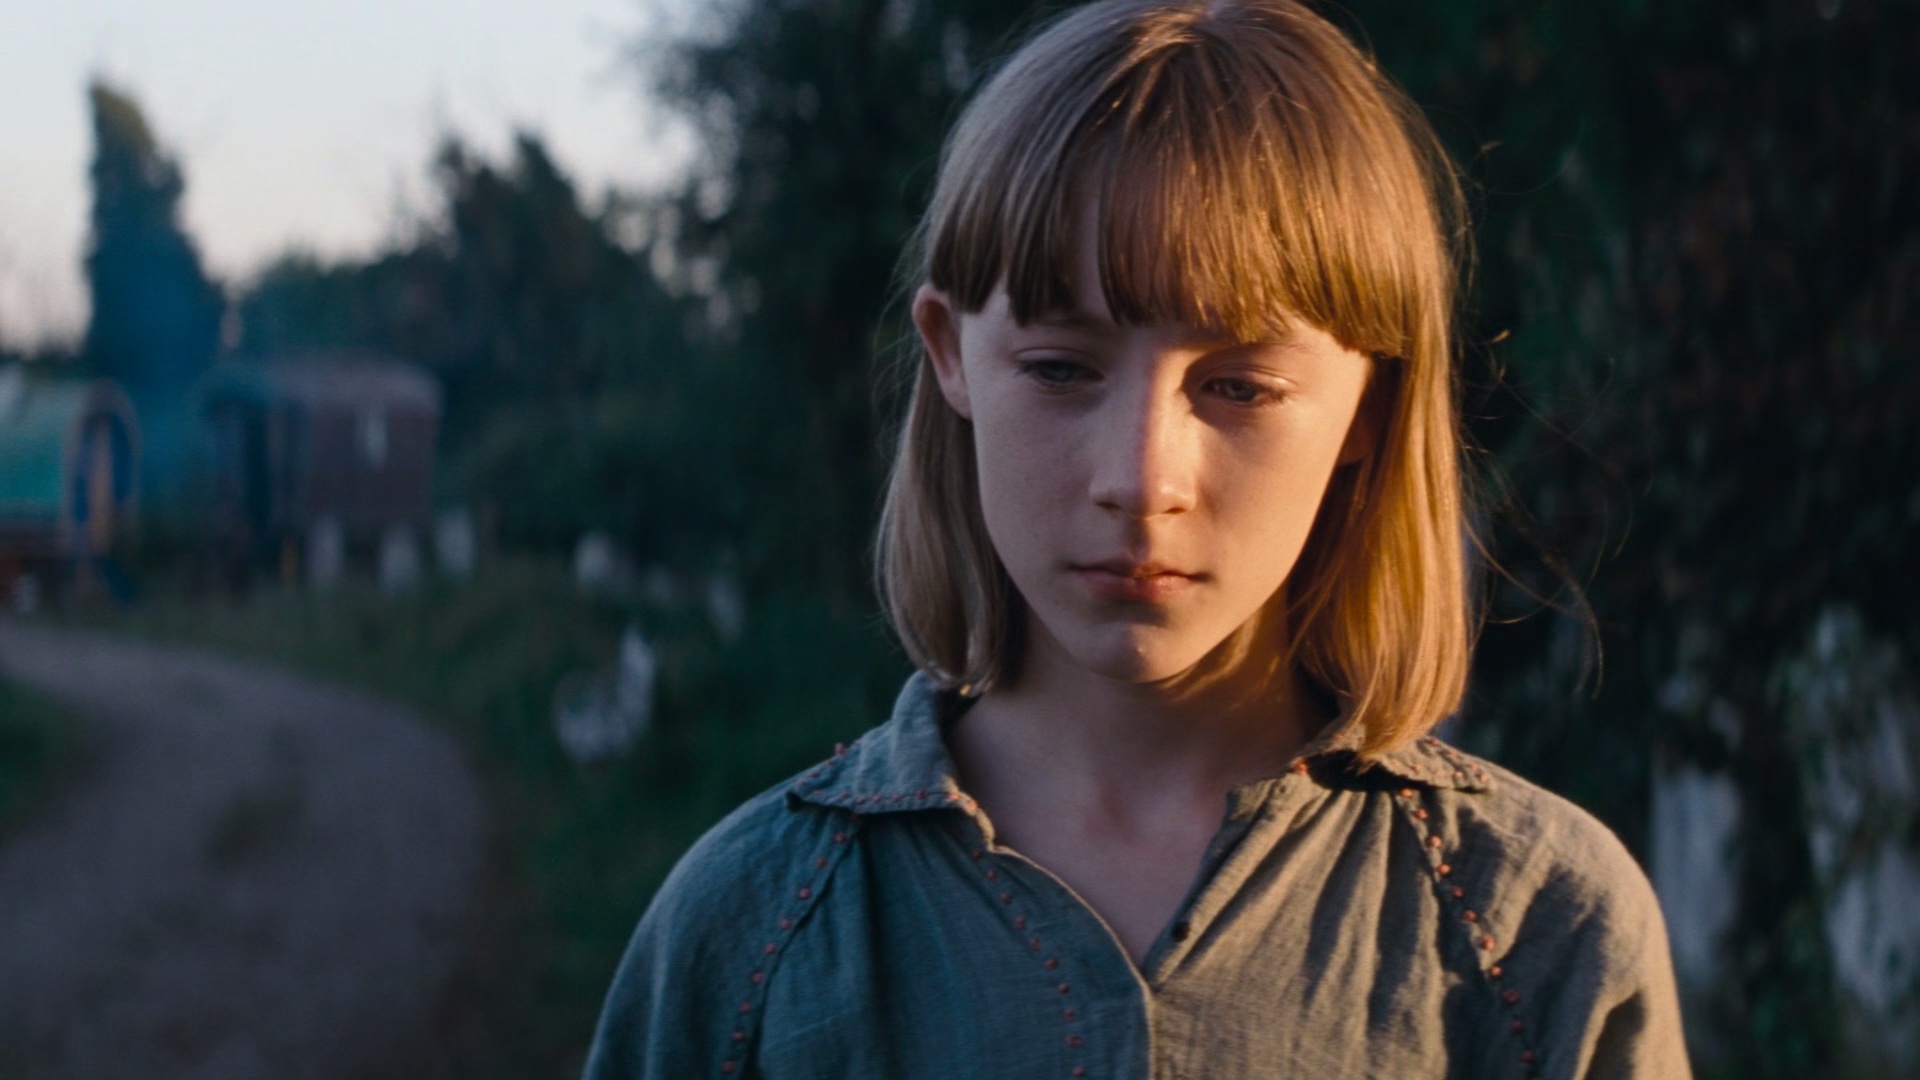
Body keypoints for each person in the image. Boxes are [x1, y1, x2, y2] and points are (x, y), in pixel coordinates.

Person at [584, 1, 1691, 1076]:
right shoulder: (748, 937)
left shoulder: (1538, 937)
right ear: (951, 355)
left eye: (1239, 386)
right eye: (1061, 368)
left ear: (1371, 403)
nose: (1141, 480)